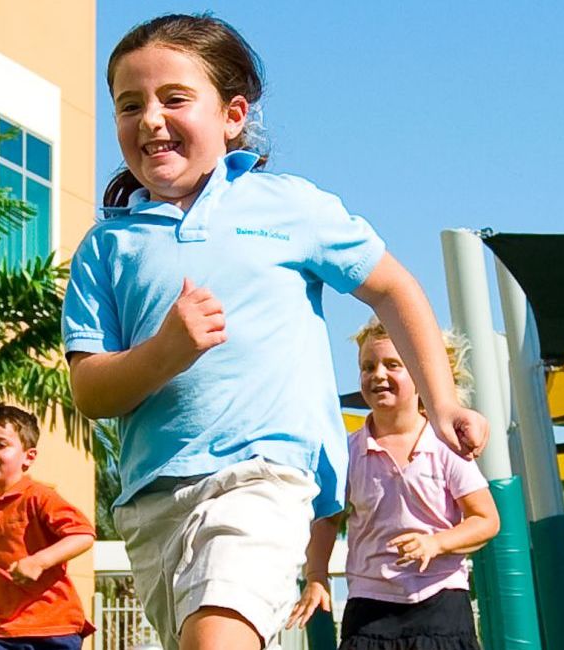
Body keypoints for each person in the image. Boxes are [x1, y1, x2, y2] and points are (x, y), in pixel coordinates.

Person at [65, 14, 488, 650]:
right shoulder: (107, 246)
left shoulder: (289, 207)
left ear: (233, 115)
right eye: (130, 105)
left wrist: (445, 397)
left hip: (263, 477)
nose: (150, 118)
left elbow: (394, 289)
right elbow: (90, 392)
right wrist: (165, 353)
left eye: (174, 99)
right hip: (153, 501)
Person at [289, 319, 498, 650]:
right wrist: (316, 577)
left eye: (393, 365)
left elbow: (486, 520)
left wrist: (436, 544)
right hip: (371, 610)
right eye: (367, 367)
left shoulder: (445, 447)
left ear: (421, 378)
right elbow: (328, 518)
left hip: (440, 603)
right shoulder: (350, 451)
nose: (378, 375)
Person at [0, 404, 96, 650]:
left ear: (29, 456)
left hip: (52, 627)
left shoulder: (39, 496)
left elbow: (83, 534)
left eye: (0, 444)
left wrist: (38, 561)